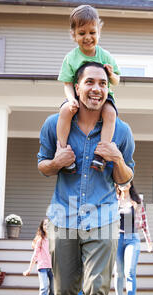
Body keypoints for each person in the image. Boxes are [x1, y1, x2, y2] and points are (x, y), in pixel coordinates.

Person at [37, 62, 135, 295]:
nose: (96, 88)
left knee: (96, 291)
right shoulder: (55, 125)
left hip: (104, 217)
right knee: (64, 291)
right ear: (76, 87)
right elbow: (42, 164)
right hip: (63, 216)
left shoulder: (120, 130)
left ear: (109, 88)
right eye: (89, 82)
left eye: (103, 83)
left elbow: (124, 179)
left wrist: (117, 158)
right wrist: (56, 161)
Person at [57, 4, 120, 172]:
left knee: (110, 113)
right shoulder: (71, 58)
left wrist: (111, 74)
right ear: (73, 35)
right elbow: (67, 83)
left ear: (98, 32)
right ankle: (62, 150)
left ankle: (101, 154)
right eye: (82, 33)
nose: (87, 37)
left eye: (92, 32)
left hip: (103, 98)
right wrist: (71, 100)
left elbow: (116, 80)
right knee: (64, 111)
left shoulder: (105, 55)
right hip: (78, 96)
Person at [114, 182, 152, 295]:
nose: (123, 184)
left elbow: (144, 220)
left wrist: (148, 240)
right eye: (120, 183)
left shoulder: (136, 201)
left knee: (129, 271)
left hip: (132, 238)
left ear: (130, 184)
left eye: (126, 182)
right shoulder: (114, 200)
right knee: (118, 272)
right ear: (117, 186)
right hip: (117, 238)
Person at [23, 218, 56, 295]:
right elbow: (35, 255)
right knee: (44, 287)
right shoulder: (40, 240)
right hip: (42, 267)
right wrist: (29, 269)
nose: (47, 226)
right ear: (42, 227)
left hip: (53, 267)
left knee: (53, 288)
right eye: (45, 225)